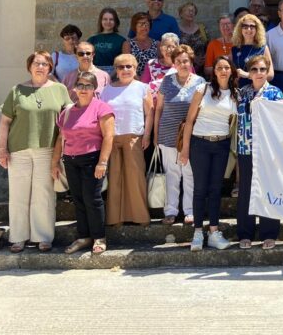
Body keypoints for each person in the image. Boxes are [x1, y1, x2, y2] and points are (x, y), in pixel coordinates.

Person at [0, 51, 70, 253]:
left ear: (50, 67)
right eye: (36, 63)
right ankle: (18, 237)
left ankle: (43, 237)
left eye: (44, 64)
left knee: (44, 195)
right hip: (18, 150)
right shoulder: (16, 90)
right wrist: (2, 149)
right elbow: (4, 122)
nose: (40, 67)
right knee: (18, 195)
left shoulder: (60, 89)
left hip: (47, 150)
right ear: (29, 66)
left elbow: (68, 121)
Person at [52, 72, 114, 255]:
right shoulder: (68, 111)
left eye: (88, 86)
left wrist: (102, 163)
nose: (83, 89)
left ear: (94, 89)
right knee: (78, 200)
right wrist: (54, 163)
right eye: (80, 85)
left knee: (92, 199)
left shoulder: (102, 108)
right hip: (71, 160)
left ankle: (99, 238)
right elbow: (60, 139)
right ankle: (83, 237)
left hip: (92, 159)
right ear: (74, 88)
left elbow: (109, 137)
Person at [180, 56, 237, 251]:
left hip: (221, 145)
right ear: (214, 71)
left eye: (226, 67)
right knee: (200, 189)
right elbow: (189, 121)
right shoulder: (202, 90)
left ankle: (213, 231)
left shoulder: (234, 94)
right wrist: (185, 149)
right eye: (219, 67)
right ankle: (197, 232)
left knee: (215, 190)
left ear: (231, 71)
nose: (223, 70)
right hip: (200, 144)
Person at [236, 55, 283, 249]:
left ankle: (269, 233)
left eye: (262, 69)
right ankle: (245, 233)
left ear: (267, 72)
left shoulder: (275, 93)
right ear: (249, 73)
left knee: (268, 189)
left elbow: (281, 120)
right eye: (254, 69)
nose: (258, 73)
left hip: (267, 149)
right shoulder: (242, 93)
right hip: (246, 148)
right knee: (246, 191)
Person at [154, 45, 206, 226]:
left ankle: (189, 211)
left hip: (191, 137)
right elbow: (158, 108)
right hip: (167, 135)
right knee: (172, 174)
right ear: (173, 63)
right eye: (179, 61)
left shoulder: (200, 82)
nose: (182, 64)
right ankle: (170, 211)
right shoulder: (166, 81)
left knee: (190, 174)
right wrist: (155, 136)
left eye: (186, 61)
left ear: (191, 62)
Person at [101, 54, 153, 227]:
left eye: (129, 66)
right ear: (116, 70)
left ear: (135, 67)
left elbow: (150, 113)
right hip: (112, 139)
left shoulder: (142, 88)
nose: (125, 70)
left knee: (135, 177)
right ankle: (116, 219)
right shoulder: (106, 90)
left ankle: (140, 217)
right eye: (121, 67)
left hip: (134, 137)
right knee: (115, 179)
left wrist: (146, 135)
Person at [231, 14, 274, 88]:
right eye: (245, 26)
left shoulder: (263, 48)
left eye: (252, 26)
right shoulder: (234, 49)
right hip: (237, 90)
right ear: (240, 29)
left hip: (256, 90)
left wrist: (248, 75)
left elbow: (270, 75)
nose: (248, 29)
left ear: (257, 29)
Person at [140, 32, 180, 98]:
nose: (169, 50)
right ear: (161, 48)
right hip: (154, 103)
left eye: (172, 46)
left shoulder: (183, 64)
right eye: (165, 46)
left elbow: (191, 85)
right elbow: (144, 87)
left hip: (176, 104)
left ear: (177, 49)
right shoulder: (151, 64)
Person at [88, 8, 126, 75]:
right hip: (94, 74)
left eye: (111, 19)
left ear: (115, 22)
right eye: (105, 19)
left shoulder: (121, 41)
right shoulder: (92, 39)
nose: (108, 22)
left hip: (114, 75)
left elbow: (124, 61)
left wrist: (111, 76)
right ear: (101, 21)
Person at [122, 12, 157, 78]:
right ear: (135, 26)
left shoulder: (157, 44)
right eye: (141, 24)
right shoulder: (128, 44)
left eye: (146, 23)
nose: (144, 26)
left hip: (153, 80)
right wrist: (139, 81)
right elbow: (127, 65)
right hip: (134, 80)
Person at [177, 2, 209, 74]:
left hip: (202, 67)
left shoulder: (202, 28)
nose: (190, 12)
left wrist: (206, 57)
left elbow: (209, 45)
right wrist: (193, 58)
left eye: (193, 11)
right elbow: (175, 49)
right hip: (183, 67)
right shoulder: (176, 29)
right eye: (187, 10)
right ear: (181, 14)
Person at [204, 14, 235, 80]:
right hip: (218, 82)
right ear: (219, 27)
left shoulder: (239, 43)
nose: (225, 27)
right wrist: (221, 68)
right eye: (222, 24)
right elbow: (207, 69)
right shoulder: (213, 44)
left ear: (233, 25)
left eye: (228, 24)